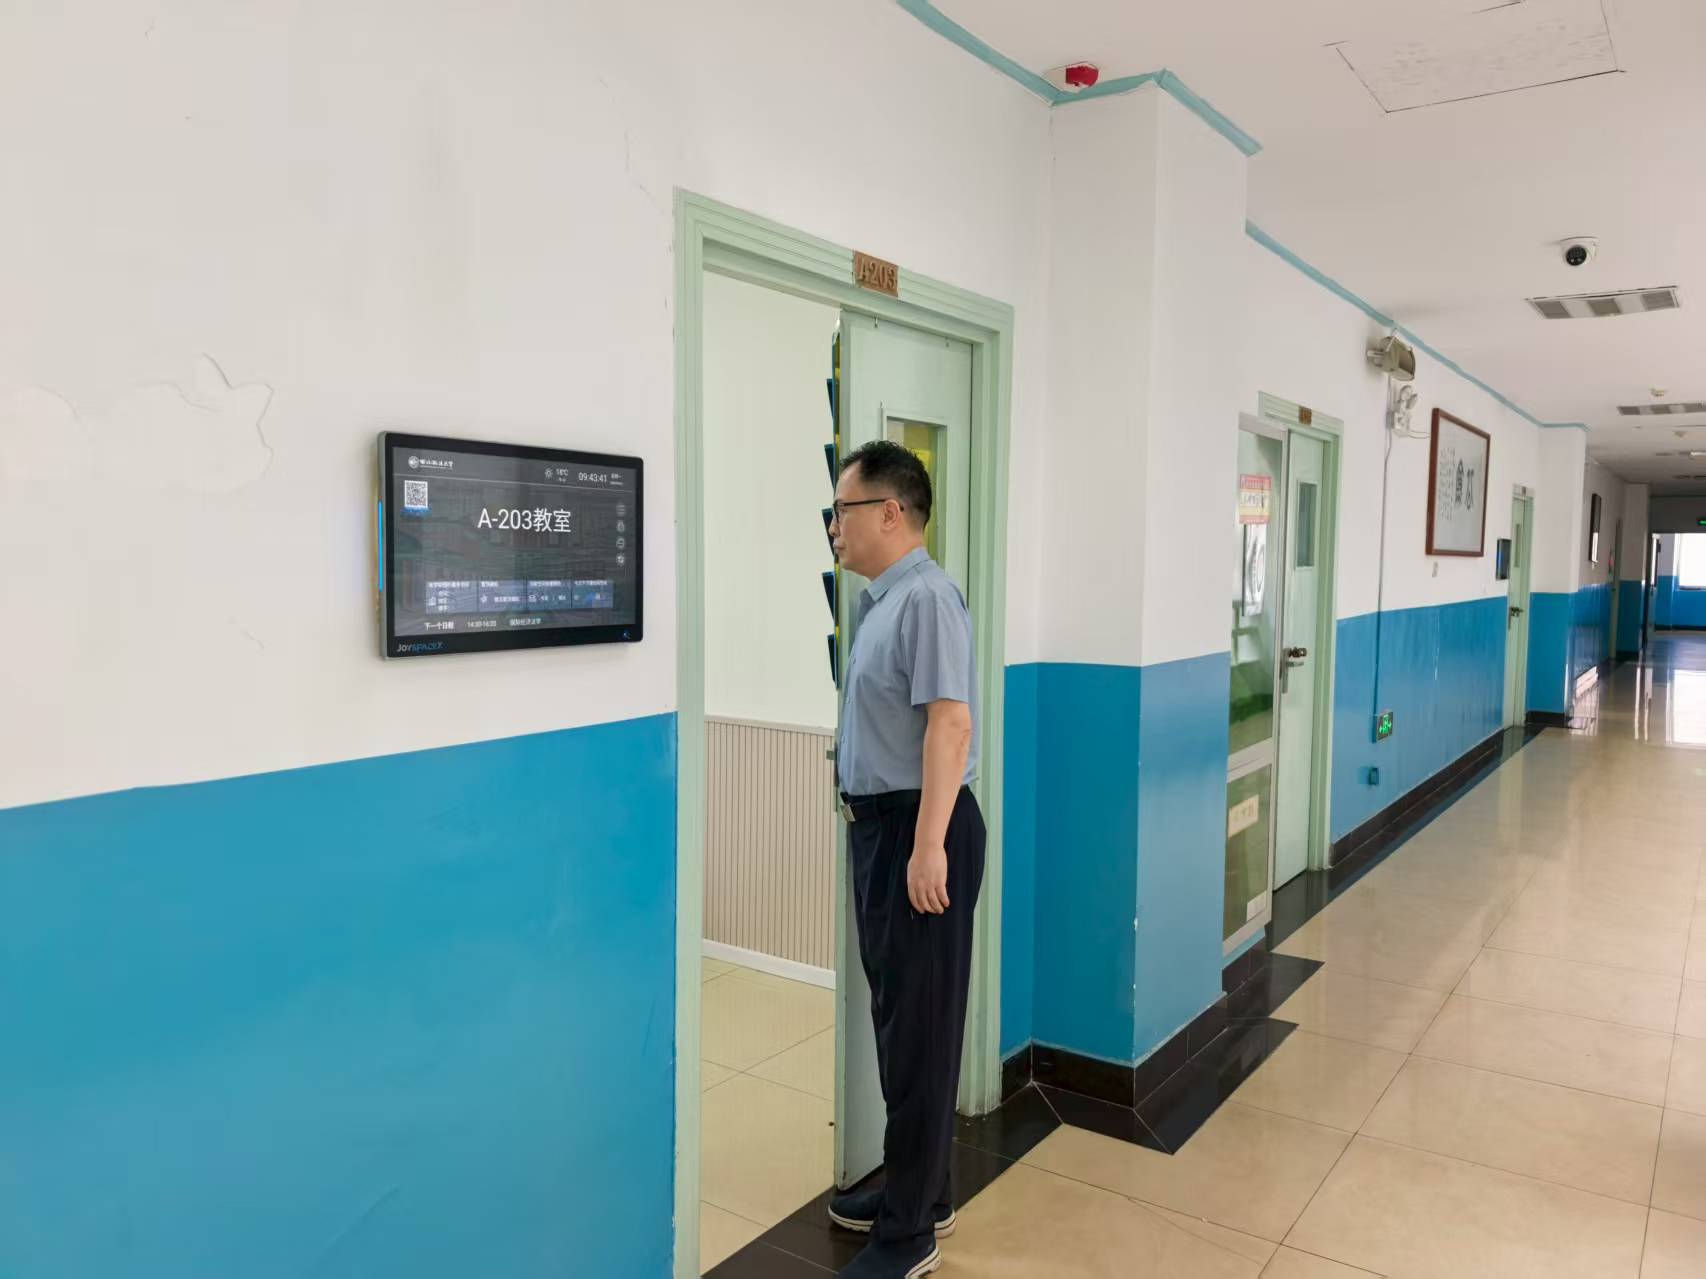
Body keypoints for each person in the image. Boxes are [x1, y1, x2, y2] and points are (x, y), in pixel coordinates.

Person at [824, 440, 985, 1279]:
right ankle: (921, 1190)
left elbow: (950, 724)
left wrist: (928, 846)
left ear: (890, 513)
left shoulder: (925, 598)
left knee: (919, 1030)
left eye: (842, 511)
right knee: (903, 1021)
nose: (834, 528)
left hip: (922, 830)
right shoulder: (882, 603)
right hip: (887, 829)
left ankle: (909, 1233)